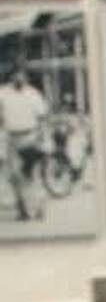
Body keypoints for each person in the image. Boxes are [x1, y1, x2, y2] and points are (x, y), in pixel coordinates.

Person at [0, 67, 49, 220]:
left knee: (32, 174)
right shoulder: (3, 93)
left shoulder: (33, 94)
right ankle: (22, 210)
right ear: (10, 77)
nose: (19, 78)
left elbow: (42, 118)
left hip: (30, 136)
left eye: (21, 76)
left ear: (26, 77)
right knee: (14, 175)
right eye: (15, 75)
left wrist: (41, 137)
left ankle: (38, 208)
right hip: (11, 138)